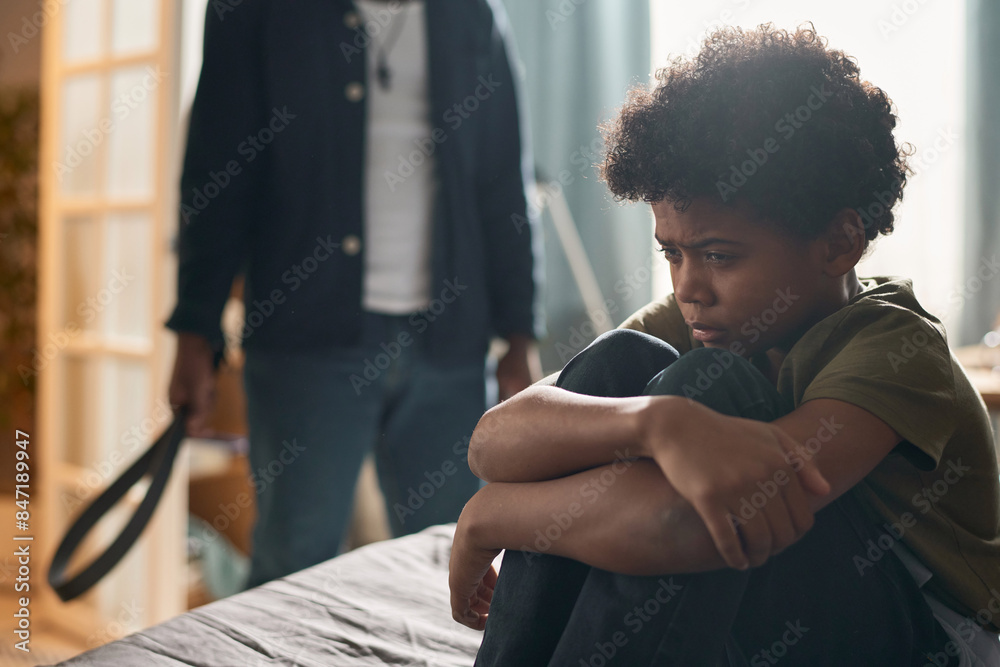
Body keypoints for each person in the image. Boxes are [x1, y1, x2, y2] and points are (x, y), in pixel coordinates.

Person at [449, 23, 1000, 666]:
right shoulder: (710, 316)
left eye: (719, 256)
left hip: (930, 643)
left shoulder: (898, 351)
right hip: (776, 627)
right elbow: (494, 442)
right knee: (621, 362)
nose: (689, 288)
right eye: (671, 254)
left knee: (708, 386)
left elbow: (681, 529)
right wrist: (656, 424)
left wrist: (488, 517)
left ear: (837, 244)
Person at [167, 0, 542, 588]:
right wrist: (195, 329)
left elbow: (503, 182)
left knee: (458, 565)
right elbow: (218, 173)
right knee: (292, 566)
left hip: (449, 346)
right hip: (305, 340)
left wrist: (520, 336)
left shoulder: (472, 14)